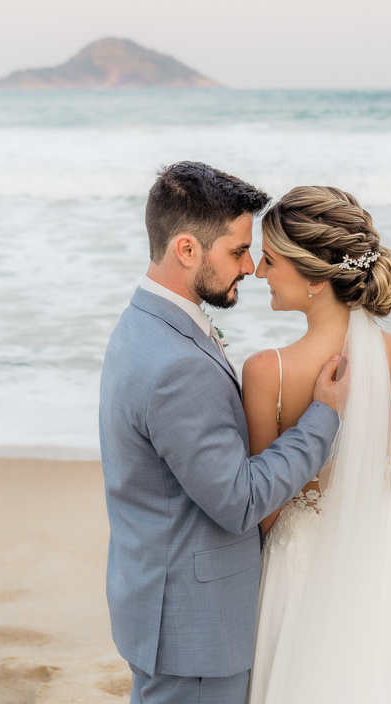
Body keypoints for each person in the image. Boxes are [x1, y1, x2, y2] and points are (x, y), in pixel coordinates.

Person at [99, 162, 344, 704]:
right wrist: (323, 416)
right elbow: (239, 500)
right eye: (238, 251)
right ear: (187, 249)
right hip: (194, 630)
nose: (251, 267)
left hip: (159, 598)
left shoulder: (143, 324)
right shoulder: (176, 366)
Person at [244, 185, 391, 703]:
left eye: (270, 260)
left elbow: (266, 504)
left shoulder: (268, 371)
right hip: (386, 555)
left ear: (315, 279)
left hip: (299, 564)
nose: (257, 272)